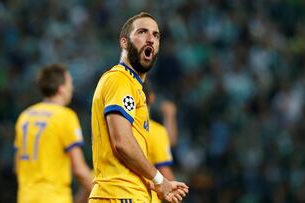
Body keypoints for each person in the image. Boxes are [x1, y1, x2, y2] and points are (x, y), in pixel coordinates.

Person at [90, 12, 188, 203]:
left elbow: (123, 161)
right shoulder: (119, 79)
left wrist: (159, 185)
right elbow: (122, 142)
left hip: (128, 193)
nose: (151, 39)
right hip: (120, 195)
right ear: (124, 43)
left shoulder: (134, 88)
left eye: (156, 35)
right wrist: (159, 180)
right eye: (142, 32)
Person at [14, 64, 93, 203]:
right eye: (70, 83)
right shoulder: (65, 116)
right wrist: (102, 192)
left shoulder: (24, 117)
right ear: (61, 88)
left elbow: (16, 166)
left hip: (25, 197)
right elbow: (79, 170)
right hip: (54, 197)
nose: (72, 88)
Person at [143, 82, 176, 203]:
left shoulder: (118, 127)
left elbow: (169, 143)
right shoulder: (155, 131)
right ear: (151, 97)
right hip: (145, 197)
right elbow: (165, 172)